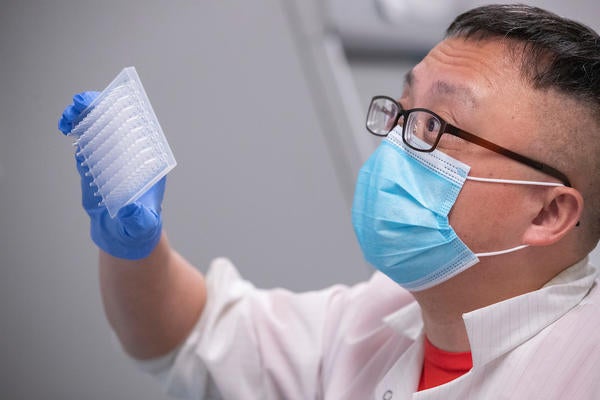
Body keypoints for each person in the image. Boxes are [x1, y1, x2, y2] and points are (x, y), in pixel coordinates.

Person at [58, 4, 600, 399]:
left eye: (439, 126)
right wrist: (135, 246)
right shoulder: (378, 318)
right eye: (403, 109)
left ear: (549, 212)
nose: (395, 145)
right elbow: (193, 337)